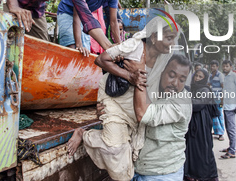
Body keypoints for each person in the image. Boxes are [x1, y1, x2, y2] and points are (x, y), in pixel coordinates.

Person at [66, 17, 181, 180]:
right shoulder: (134, 46)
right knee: (115, 154)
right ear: (154, 38)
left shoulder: (164, 59)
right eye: (169, 38)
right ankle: (84, 135)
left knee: (130, 158)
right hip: (115, 101)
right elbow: (101, 59)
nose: (172, 43)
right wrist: (129, 75)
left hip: (135, 108)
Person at [131, 54, 192, 180]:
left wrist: (140, 76)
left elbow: (143, 114)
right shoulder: (155, 90)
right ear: (162, 70)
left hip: (163, 174)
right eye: (172, 75)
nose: (175, 83)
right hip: (138, 169)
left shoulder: (181, 102)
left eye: (182, 80)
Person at [57, 0, 121, 54]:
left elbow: (113, 22)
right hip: (67, 12)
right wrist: (79, 44)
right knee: (72, 47)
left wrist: (120, 47)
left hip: (84, 16)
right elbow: (77, 17)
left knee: (86, 51)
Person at [184, 69, 219, 181]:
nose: (197, 78)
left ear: (205, 79)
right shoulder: (192, 88)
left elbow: (198, 105)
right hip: (193, 125)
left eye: (200, 77)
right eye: (196, 76)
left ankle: (207, 176)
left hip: (202, 126)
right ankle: (192, 175)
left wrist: (183, 101)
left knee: (203, 151)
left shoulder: (205, 90)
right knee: (192, 151)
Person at [220, 60, 236, 159]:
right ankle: (233, 147)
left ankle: (232, 151)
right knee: (228, 128)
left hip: (232, 106)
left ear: (231, 67)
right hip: (226, 105)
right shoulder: (224, 77)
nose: (225, 68)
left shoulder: (235, 76)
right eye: (224, 66)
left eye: (227, 66)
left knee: (231, 129)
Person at [208, 60, 225, 141]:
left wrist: (222, 100)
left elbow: (223, 87)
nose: (212, 67)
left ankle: (221, 134)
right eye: (211, 66)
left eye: (214, 66)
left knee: (219, 115)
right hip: (212, 99)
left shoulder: (220, 75)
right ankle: (216, 131)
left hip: (219, 99)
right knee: (214, 115)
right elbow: (208, 85)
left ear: (217, 67)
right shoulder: (210, 75)